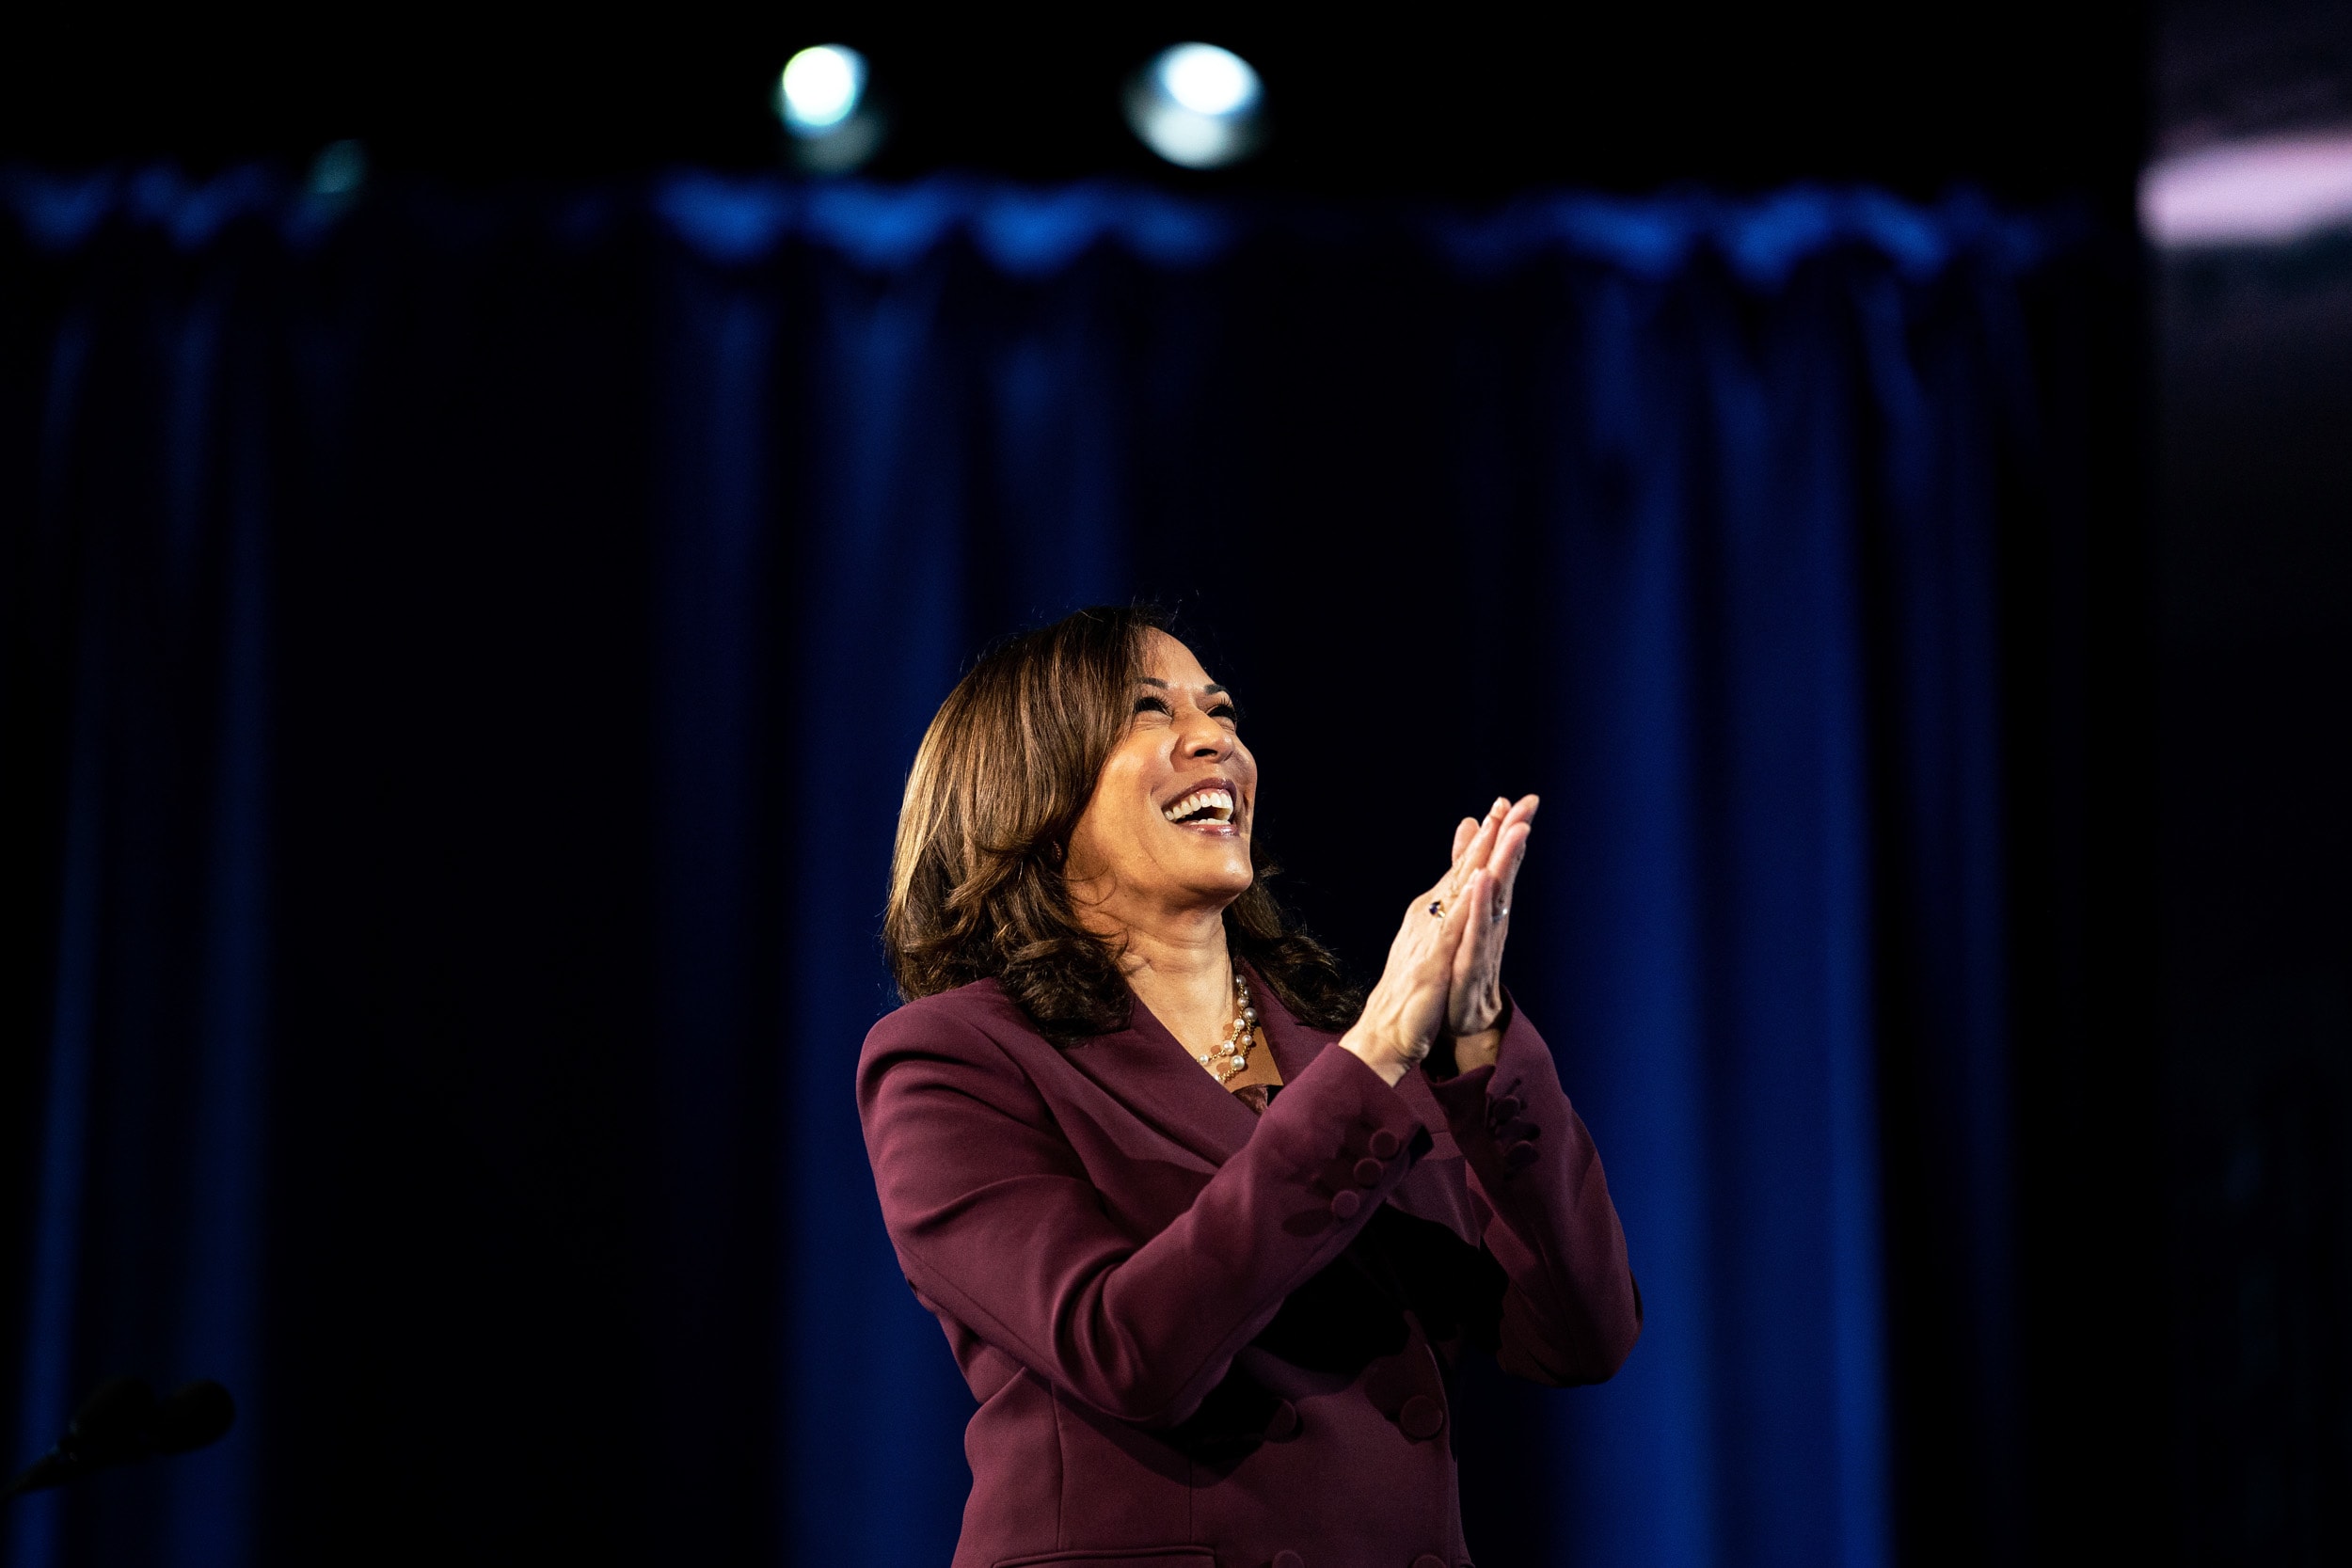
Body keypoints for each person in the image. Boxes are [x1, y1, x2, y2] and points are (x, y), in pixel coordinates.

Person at [859, 606, 1639, 1568]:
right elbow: (1126, 1348)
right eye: (1149, 711)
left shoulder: (1349, 1057)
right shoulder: (952, 1057)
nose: (1212, 735)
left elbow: (1577, 1333)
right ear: (1031, 791)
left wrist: (1475, 1033)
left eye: (1219, 709)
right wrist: (1382, 1044)